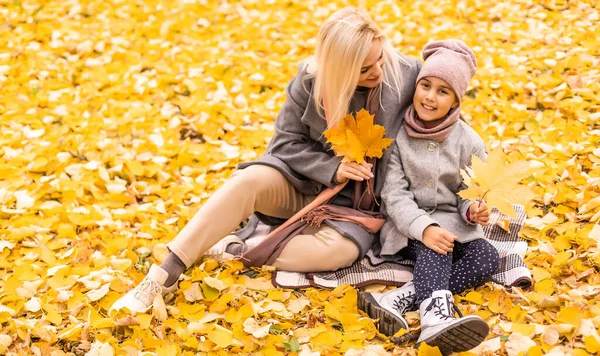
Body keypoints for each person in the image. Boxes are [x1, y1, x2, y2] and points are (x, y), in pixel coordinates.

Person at [111, 7, 421, 314]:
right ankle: (164, 273)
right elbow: (285, 144)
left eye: (380, 59)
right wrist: (333, 169)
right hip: (303, 184)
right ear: (339, 68)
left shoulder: (403, 74)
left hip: (353, 210)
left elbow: (444, 90)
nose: (377, 71)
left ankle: (234, 251)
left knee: (339, 253)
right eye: (365, 69)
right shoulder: (310, 82)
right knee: (248, 181)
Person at [358, 40, 500, 354]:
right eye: (425, 85)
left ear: (455, 101)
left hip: (453, 222)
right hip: (408, 226)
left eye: (442, 91)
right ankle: (435, 319)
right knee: (439, 247)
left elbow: (469, 191)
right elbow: (394, 195)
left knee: (487, 257)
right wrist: (425, 228)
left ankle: (401, 297)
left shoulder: (469, 141)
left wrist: (472, 210)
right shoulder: (399, 136)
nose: (430, 97)